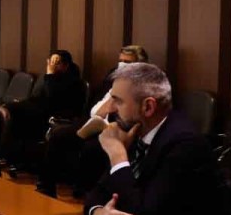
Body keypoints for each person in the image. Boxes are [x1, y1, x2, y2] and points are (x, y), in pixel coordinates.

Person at [82, 63, 231, 215]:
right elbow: (96, 194)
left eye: (118, 101)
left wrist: (118, 155)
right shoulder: (135, 130)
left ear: (148, 107)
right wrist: (98, 214)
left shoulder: (184, 144)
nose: (110, 109)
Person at [36, 45, 149, 197]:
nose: (122, 65)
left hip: (116, 126)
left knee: (91, 147)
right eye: (120, 61)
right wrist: (100, 111)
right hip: (94, 120)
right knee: (58, 135)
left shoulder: (144, 85)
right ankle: (45, 187)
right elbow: (98, 104)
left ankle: (84, 193)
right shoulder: (113, 77)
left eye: (127, 62)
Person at [4, 50, 85, 168]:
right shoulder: (49, 78)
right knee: (10, 108)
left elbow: (52, 97)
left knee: (18, 114)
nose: (53, 66)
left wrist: (50, 74)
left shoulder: (72, 81)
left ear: (66, 65)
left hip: (55, 114)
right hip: (40, 109)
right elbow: (37, 96)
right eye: (51, 62)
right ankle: (10, 156)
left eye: (56, 63)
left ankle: (18, 159)